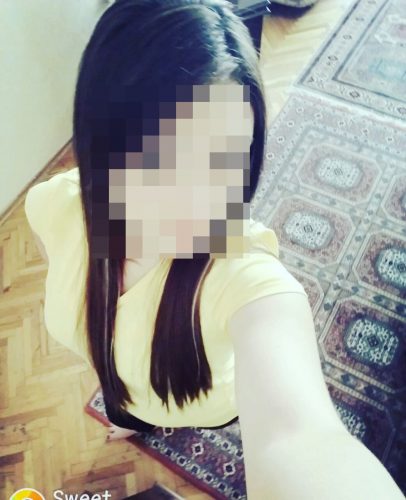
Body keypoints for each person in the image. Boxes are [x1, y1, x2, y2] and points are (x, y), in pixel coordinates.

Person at [24, 1, 405, 498]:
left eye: (226, 161)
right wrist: (128, 410)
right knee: (128, 400)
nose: (203, 202)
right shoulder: (53, 205)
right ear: (105, 137)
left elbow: (301, 439)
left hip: (206, 404)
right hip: (128, 396)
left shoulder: (243, 274)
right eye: (166, 156)